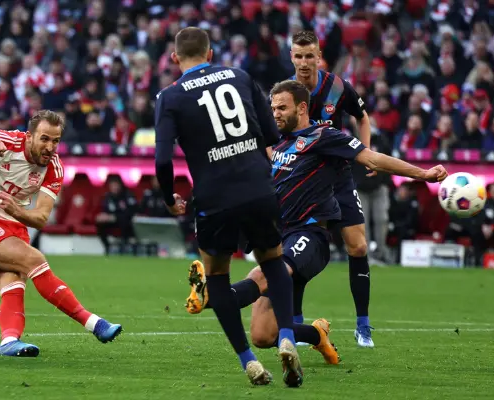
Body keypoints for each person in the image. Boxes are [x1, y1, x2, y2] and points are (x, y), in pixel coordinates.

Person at [184, 80, 447, 359]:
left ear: (301, 108)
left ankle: (212, 296)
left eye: (282, 108)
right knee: (263, 336)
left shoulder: (324, 136)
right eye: (273, 108)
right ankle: (316, 335)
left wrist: (423, 174)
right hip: (278, 237)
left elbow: (373, 159)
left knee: (264, 274)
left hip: (310, 237)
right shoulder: (278, 143)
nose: (275, 113)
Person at [154, 27, 302, 387]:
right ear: (210, 53)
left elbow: (161, 159)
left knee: (217, 276)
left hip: (214, 197)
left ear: (175, 59)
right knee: (272, 260)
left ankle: (248, 360)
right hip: (257, 187)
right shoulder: (240, 76)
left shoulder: (169, 96)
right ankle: (286, 334)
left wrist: (167, 196)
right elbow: (272, 135)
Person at [0, 110, 122, 357]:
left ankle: (8, 341)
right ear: (29, 136)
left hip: (12, 226)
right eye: (44, 139)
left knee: (13, 279)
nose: (50, 147)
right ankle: (94, 323)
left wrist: (16, 209)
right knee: (35, 260)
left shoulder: (54, 169)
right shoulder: (6, 141)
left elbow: (39, 218)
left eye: (56, 141)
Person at [289, 30, 377, 347]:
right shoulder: (286, 93)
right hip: (302, 183)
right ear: (291, 57)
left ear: (318, 56)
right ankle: (296, 325)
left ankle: (363, 326)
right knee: (297, 251)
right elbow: (271, 136)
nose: (303, 62)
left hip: (338, 177)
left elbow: (362, 117)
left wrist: (366, 154)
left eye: (309, 56)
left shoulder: (337, 87)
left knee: (359, 247)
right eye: (298, 56)